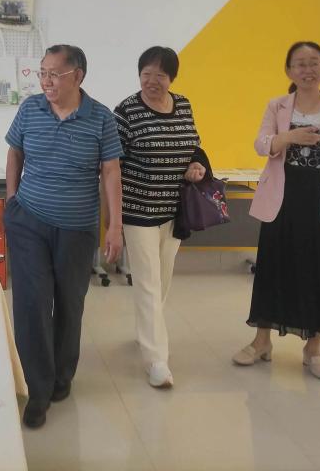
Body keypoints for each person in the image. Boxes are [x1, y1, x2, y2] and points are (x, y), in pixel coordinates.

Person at [233, 41, 320, 380]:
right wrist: (289, 137)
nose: (308, 70)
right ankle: (262, 341)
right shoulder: (277, 106)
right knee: (273, 269)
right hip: (283, 199)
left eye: (314, 63)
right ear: (289, 70)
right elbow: (261, 144)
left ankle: (314, 348)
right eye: (300, 64)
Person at [4, 44, 123, 429]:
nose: (46, 81)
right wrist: (11, 200)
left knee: (69, 304)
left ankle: (61, 375)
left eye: (54, 74)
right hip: (28, 221)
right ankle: (37, 389)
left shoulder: (100, 117)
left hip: (77, 228)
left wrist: (115, 226)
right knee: (32, 303)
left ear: (78, 76)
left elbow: (110, 171)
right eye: (42, 72)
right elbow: (15, 153)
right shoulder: (30, 109)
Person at [114, 46, 210, 389]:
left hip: (174, 210)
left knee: (163, 281)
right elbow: (112, 166)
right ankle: (157, 359)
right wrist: (112, 218)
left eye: (161, 75)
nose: (152, 81)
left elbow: (193, 147)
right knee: (148, 282)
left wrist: (196, 165)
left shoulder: (183, 105)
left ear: (172, 78)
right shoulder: (126, 111)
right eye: (146, 74)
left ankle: (147, 332)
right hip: (138, 211)